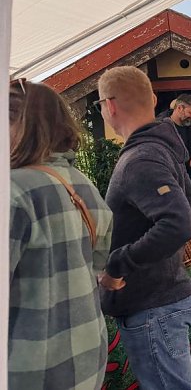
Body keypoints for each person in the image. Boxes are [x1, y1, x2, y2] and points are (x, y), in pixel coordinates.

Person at [96, 66, 191, 389]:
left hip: (152, 305)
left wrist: (117, 264)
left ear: (109, 106)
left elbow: (179, 223)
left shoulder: (141, 158)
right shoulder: (160, 148)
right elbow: (190, 203)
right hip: (159, 300)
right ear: (153, 99)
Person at [8, 80, 113, 389]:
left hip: (27, 369)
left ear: (20, 124)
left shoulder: (13, 192)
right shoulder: (82, 183)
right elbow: (99, 261)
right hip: (84, 358)